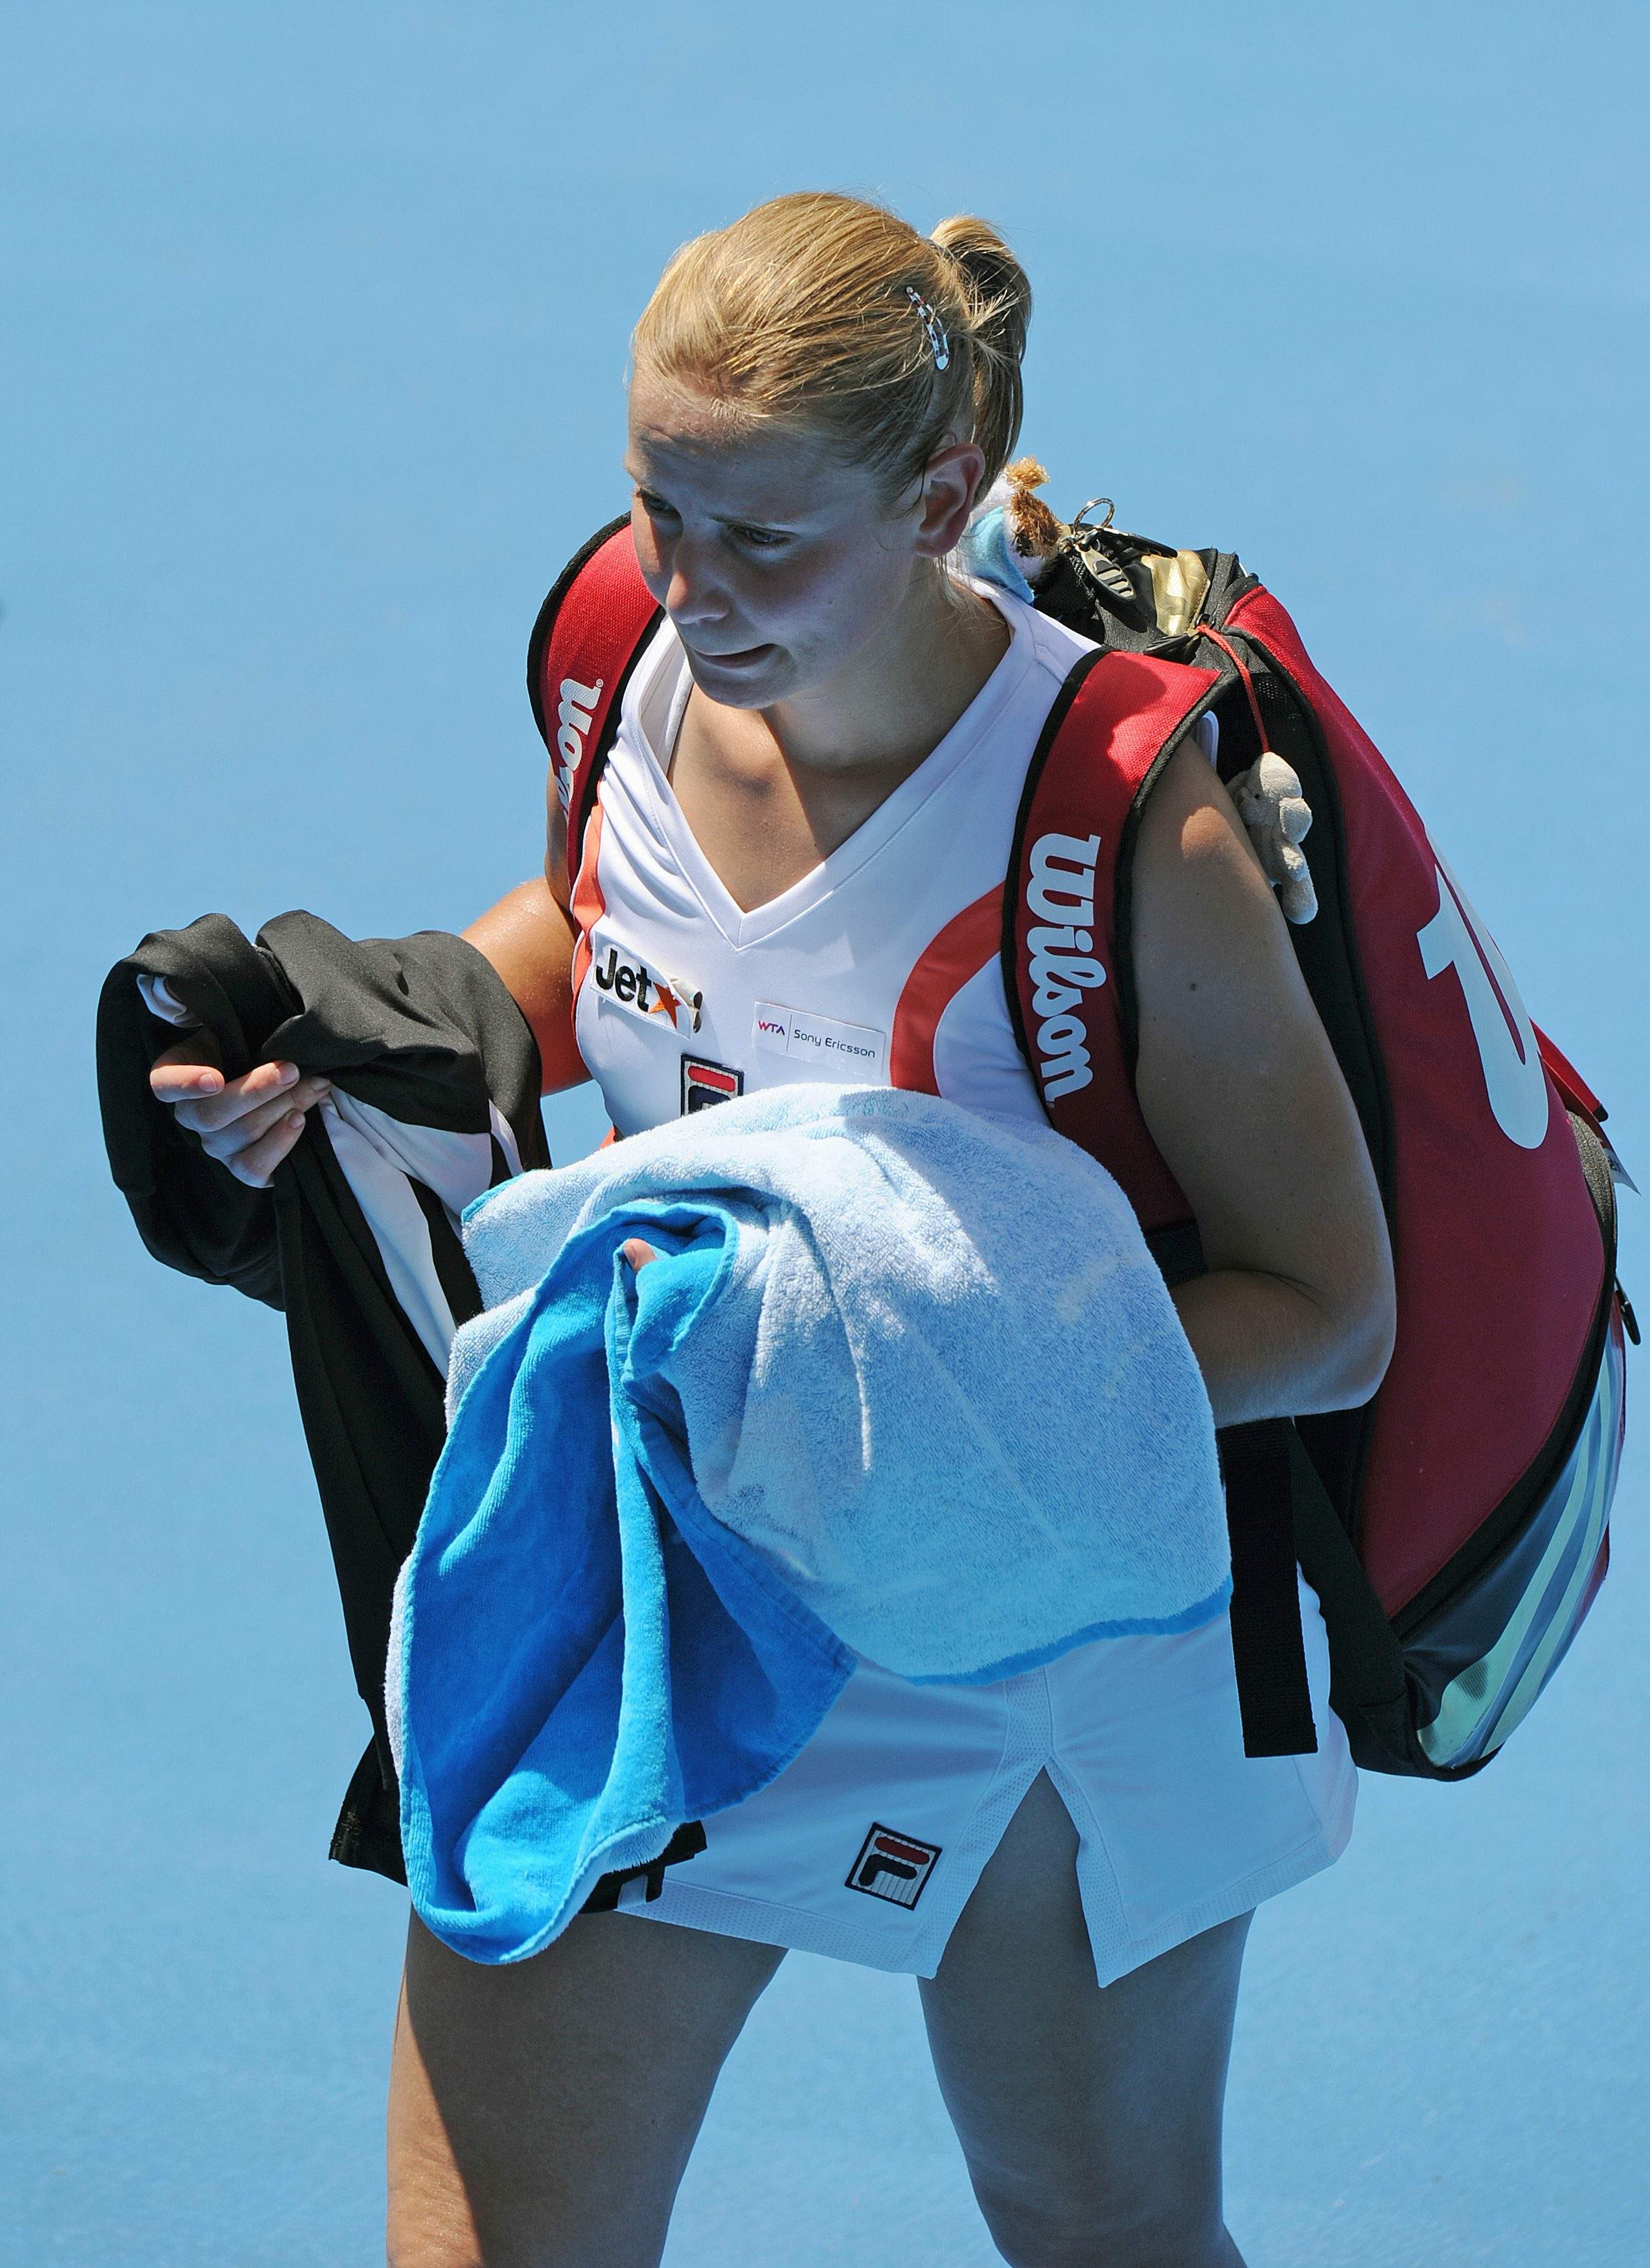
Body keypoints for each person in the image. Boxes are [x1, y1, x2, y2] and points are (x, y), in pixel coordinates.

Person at [149, 192, 1395, 2267]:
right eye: (660, 510)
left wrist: (906, 1390)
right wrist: (365, 1047)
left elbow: (1330, 1311)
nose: (692, 585)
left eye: (759, 537)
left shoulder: (1117, 827)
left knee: (1099, 2226)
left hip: (1066, 1628)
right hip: (684, 1572)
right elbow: (618, 944)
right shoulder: (615, 660)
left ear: (936, 503)